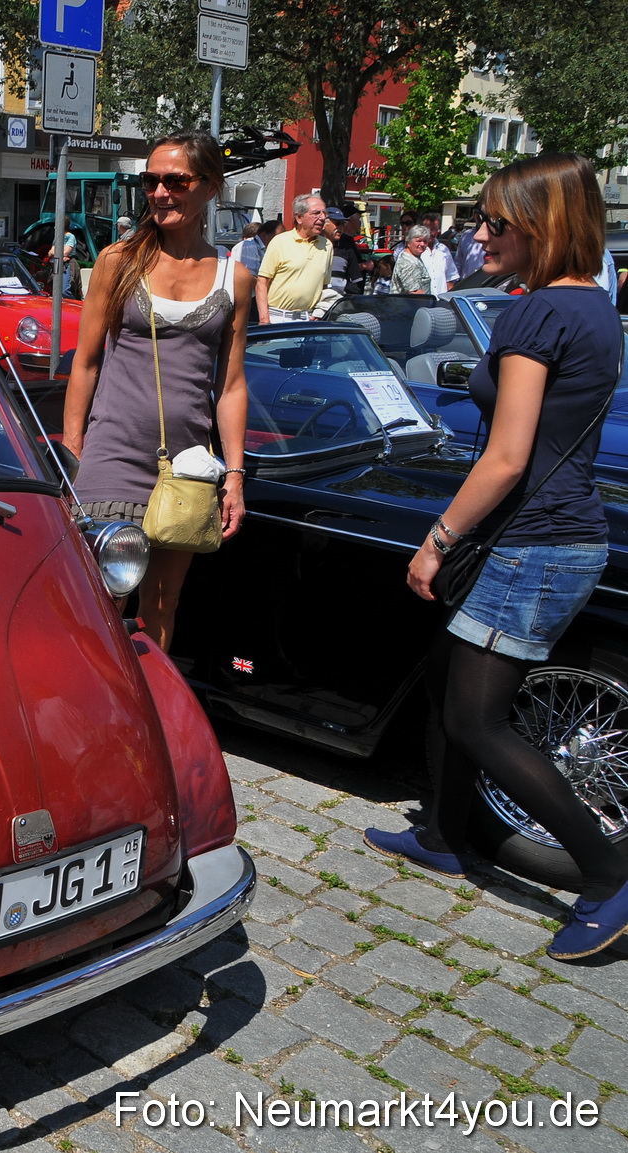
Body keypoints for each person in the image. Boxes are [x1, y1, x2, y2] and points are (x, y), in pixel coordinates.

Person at [368, 154, 626, 961]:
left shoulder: (535, 314)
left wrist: (436, 540)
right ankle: (444, 835)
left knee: (476, 721)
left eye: (495, 223)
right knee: (445, 678)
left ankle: (608, 877)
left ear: (542, 226)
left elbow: (506, 456)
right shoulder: (594, 306)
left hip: (530, 542)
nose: (479, 236)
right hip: (555, 533)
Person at [62, 131, 251, 650]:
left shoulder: (234, 278)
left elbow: (231, 385)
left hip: (188, 464)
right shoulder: (118, 261)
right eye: (151, 181)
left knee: (162, 605)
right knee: (101, 601)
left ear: (210, 186)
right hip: (112, 456)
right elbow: (86, 363)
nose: (160, 192)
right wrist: (73, 449)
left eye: (176, 181)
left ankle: (147, 699)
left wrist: (234, 475)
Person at [254, 194, 332, 321]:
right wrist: (264, 319)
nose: (323, 218)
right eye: (316, 213)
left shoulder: (327, 245)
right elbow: (262, 282)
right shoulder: (280, 242)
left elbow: (324, 285)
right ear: (299, 217)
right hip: (278, 318)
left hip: (309, 320)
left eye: (324, 213)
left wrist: (320, 312)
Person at [391, 227, 435, 293]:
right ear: (408, 242)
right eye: (418, 241)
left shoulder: (415, 257)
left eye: (425, 241)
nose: (422, 244)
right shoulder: (407, 262)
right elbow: (415, 293)